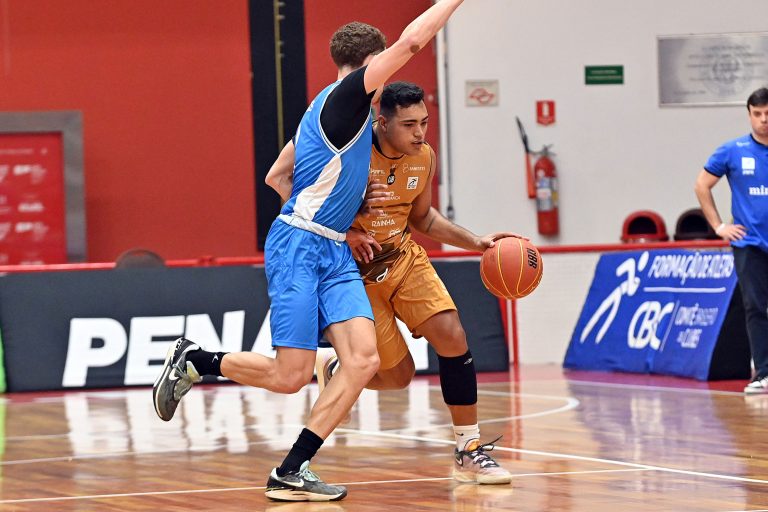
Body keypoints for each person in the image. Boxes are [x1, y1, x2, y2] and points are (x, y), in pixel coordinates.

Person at [152, 1, 467, 503]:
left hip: (333, 248)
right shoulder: (345, 99)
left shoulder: (331, 112)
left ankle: (291, 469)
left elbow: (277, 176)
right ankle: (196, 359)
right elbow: (413, 41)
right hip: (299, 247)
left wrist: (341, 224)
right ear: (371, 63)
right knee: (290, 377)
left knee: (363, 361)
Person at [270, 81, 520, 484]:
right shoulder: (346, 152)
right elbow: (298, 202)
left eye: (424, 122)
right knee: (398, 376)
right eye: (409, 125)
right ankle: (336, 367)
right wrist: (348, 232)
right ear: (382, 122)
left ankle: (468, 449)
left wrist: (475, 242)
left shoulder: (423, 157)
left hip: (403, 257)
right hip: (355, 273)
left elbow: (423, 219)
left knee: (452, 335)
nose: (420, 133)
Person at [694, 86, 768, 394]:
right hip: (749, 244)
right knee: (756, 307)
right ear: (749, 115)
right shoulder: (732, 150)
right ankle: (764, 373)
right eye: (757, 114)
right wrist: (719, 226)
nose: (763, 119)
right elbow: (702, 185)